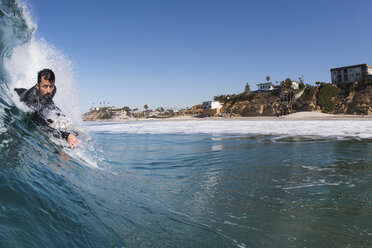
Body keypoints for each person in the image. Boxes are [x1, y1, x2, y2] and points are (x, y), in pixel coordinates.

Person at [14, 69, 79, 149]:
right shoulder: (30, 101)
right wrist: (67, 136)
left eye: (51, 86)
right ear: (37, 86)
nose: (48, 91)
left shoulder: (53, 90)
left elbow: (49, 102)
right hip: (19, 93)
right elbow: (42, 125)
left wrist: (60, 115)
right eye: (45, 86)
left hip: (36, 98)